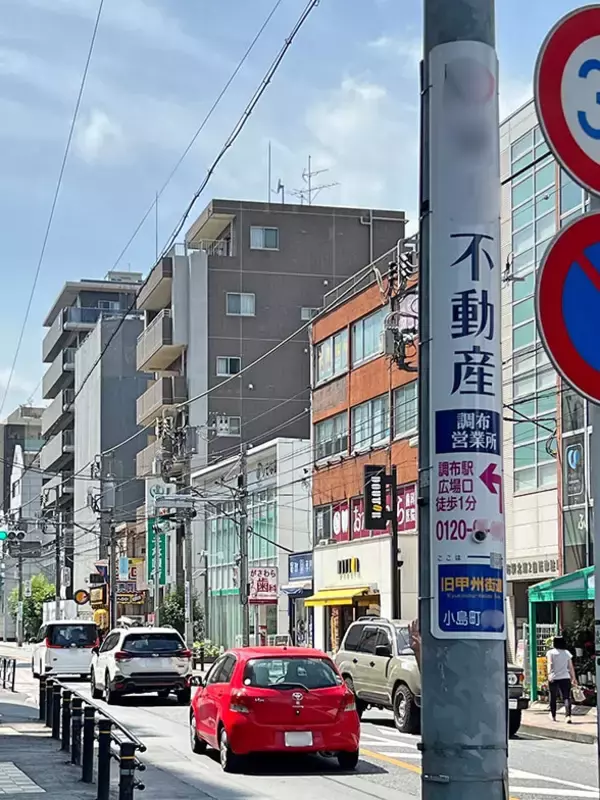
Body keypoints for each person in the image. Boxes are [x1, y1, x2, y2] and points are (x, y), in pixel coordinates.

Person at [546, 636, 577, 723]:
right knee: (566, 697)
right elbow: (570, 667)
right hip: (565, 677)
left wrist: (549, 674)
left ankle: (553, 715)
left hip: (554, 677)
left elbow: (550, 663)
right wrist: (573, 678)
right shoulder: (567, 653)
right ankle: (568, 716)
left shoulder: (550, 652)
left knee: (553, 697)